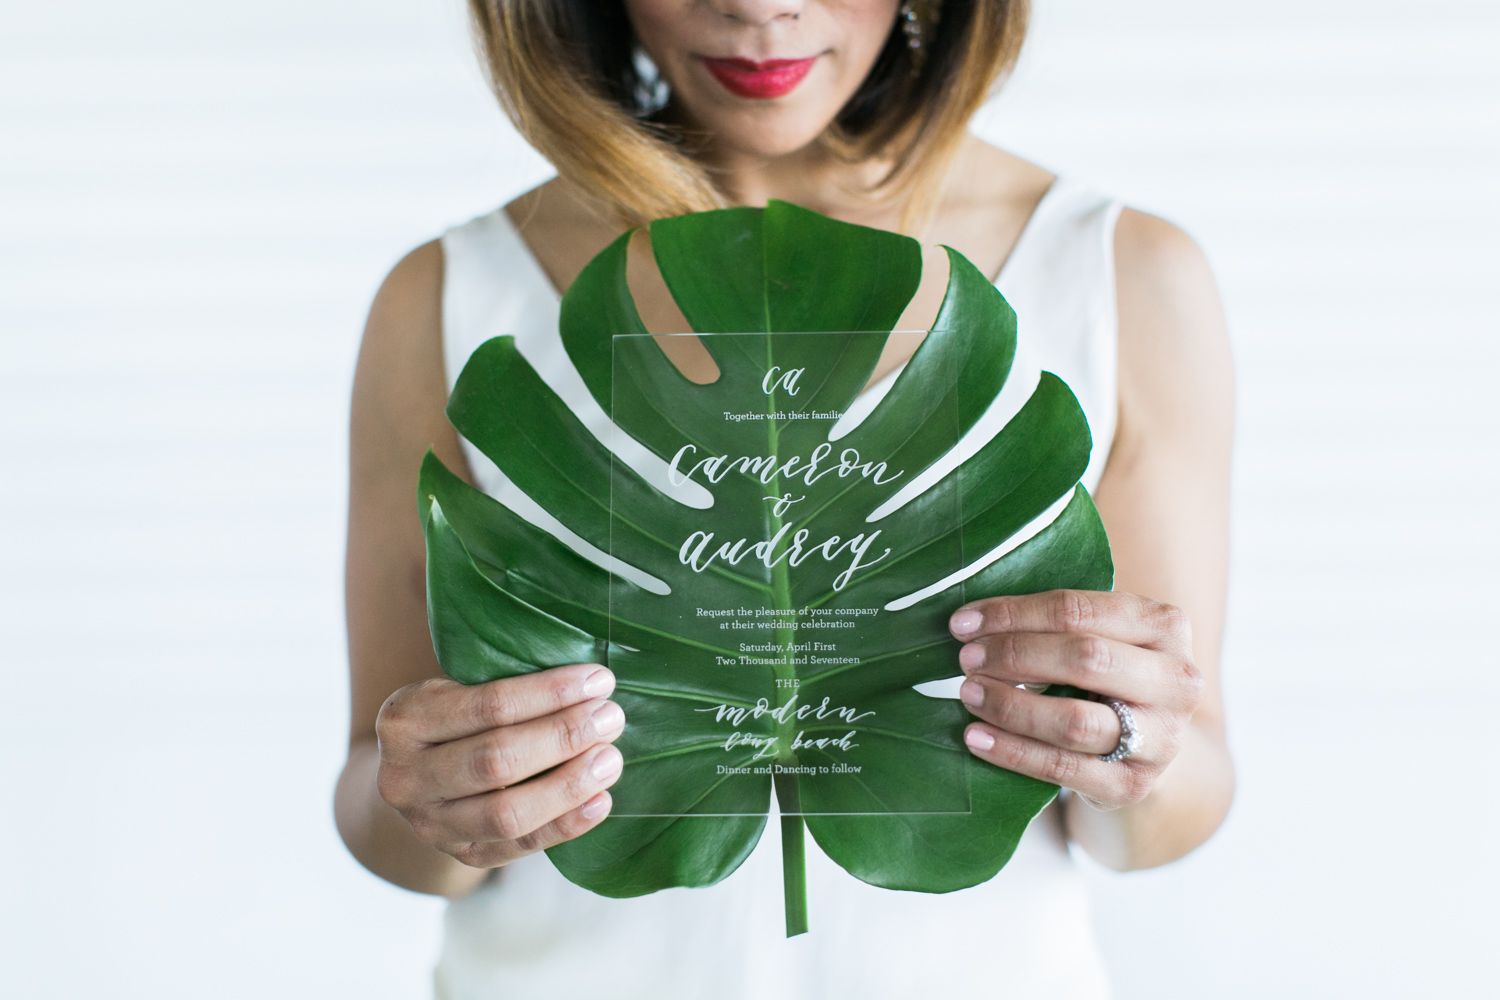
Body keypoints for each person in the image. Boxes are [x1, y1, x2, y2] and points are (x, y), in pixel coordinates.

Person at [334, 1, 1236, 996]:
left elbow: (1182, 797)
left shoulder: (1120, 274)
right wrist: (436, 801)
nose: (761, 7)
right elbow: (381, 811)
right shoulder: (451, 291)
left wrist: (1134, 749)